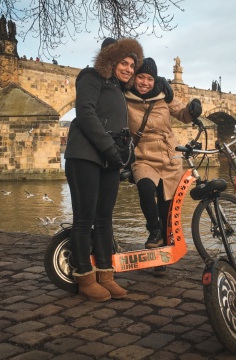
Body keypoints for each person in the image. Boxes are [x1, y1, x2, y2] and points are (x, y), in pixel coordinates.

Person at [63, 37, 143, 302]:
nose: (129, 69)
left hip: (110, 160)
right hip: (85, 156)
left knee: (105, 218)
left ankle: (106, 275)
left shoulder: (118, 89)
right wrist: (110, 147)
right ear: (110, 60)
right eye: (124, 62)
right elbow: (85, 113)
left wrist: (124, 152)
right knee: (85, 218)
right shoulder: (90, 77)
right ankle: (84, 276)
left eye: (132, 65)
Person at [125, 57, 202, 277]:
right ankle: (153, 230)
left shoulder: (163, 96)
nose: (145, 82)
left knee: (167, 210)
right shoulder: (124, 97)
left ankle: (161, 258)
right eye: (141, 77)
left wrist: (194, 107)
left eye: (149, 78)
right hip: (144, 156)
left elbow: (184, 114)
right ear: (134, 77)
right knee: (146, 189)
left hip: (169, 157)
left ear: (155, 80)